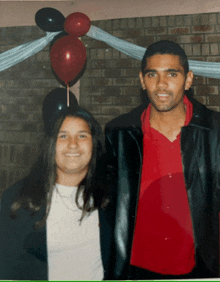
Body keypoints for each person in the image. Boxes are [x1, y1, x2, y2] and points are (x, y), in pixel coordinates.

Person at [99, 40, 220, 280]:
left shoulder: (214, 130)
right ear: (142, 80)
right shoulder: (119, 133)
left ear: (188, 79)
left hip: (200, 270)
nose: (161, 84)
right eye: (152, 74)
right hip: (134, 270)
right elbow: (105, 204)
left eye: (172, 74)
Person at [0, 99, 105, 280]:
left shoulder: (113, 198)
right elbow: (7, 269)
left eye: (82, 135)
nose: (73, 144)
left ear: (94, 143)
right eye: (63, 136)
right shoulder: (18, 199)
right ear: (50, 144)